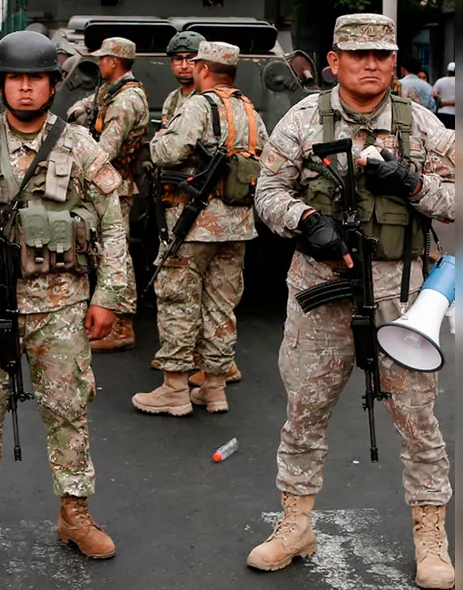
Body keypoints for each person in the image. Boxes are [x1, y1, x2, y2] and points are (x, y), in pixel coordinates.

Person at [249, 14, 455, 590]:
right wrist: (306, 220)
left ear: (394, 63)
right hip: (320, 291)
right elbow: (268, 193)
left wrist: (411, 185)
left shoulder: (423, 126)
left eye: (383, 56)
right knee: (304, 415)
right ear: (333, 61)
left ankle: (431, 538)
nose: (371, 65)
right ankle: (295, 525)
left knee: (418, 422)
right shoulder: (301, 120)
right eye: (357, 55)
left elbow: (455, 201)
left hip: (404, 299)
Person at [0, 30, 129, 560]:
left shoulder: (78, 144)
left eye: (35, 78)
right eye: (15, 78)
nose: (26, 88)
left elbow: (112, 226)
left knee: (68, 407)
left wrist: (109, 297)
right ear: (0, 84)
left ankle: (75, 514)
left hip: (60, 303)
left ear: (52, 84)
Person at [132, 41, 267, 417]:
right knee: (222, 305)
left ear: (204, 70)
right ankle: (214, 388)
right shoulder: (250, 111)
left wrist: (159, 141)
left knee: (178, 299)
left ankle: (174, 388)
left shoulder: (197, 106)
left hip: (193, 222)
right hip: (238, 223)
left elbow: (166, 153)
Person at [67, 37, 146, 352]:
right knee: (102, 250)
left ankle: (122, 326)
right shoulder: (110, 91)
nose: (97, 63)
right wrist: (79, 111)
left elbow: (105, 151)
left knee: (117, 253)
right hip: (104, 181)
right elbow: (88, 104)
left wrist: (74, 167)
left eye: (102, 59)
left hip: (114, 184)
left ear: (114, 62)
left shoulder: (126, 100)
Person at [160, 31, 205, 128]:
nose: (184, 66)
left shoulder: (211, 98)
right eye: (178, 59)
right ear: (172, 64)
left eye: (190, 59)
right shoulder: (172, 99)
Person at [432, 62, 455, 129]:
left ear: (448, 72)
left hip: (442, 112)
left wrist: (441, 102)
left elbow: (434, 94)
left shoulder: (440, 81)